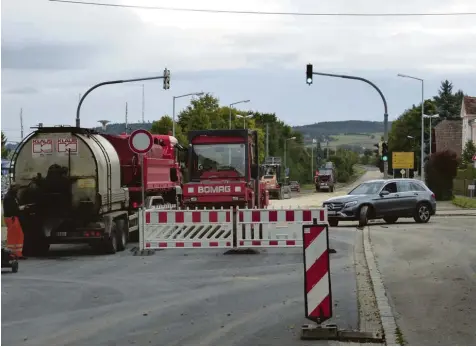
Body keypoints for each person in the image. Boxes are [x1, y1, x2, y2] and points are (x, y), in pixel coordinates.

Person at [3, 184, 25, 258]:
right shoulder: (9, 198)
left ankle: (17, 253)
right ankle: (12, 254)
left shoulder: (12, 196)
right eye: (17, 189)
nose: (18, 191)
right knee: (13, 236)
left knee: (18, 235)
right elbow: (11, 209)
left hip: (13, 218)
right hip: (11, 218)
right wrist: (19, 209)